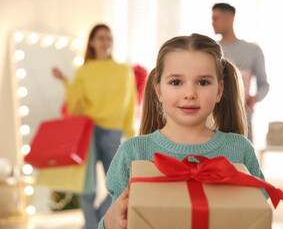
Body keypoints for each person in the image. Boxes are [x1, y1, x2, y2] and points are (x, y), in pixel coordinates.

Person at [99, 33, 266, 229]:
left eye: (203, 82)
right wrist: (108, 223)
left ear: (219, 90)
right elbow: (119, 219)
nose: (190, 94)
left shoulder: (239, 150)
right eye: (176, 82)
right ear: (159, 90)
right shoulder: (132, 153)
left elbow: (257, 215)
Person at [52, 24, 137, 229]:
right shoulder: (84, 71)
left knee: (119, 184)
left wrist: (130, 133)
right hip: (88, 131)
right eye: (101, 38)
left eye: (109, 38)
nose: (106, 42)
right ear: (91, 42)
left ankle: (96, 223)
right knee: (87, 186)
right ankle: (93, 225)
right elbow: (75, 106)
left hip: (113, 132)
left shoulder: (123, 71)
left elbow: (130, 102)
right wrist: (65, 82)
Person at [212, 3, 270, 142]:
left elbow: (264, 85)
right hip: (212, 118)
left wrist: (254, 99)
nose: (212, 23)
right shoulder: (211, 50)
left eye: (216, 18)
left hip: (243, 120)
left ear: (230, 18)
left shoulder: (252, 50)